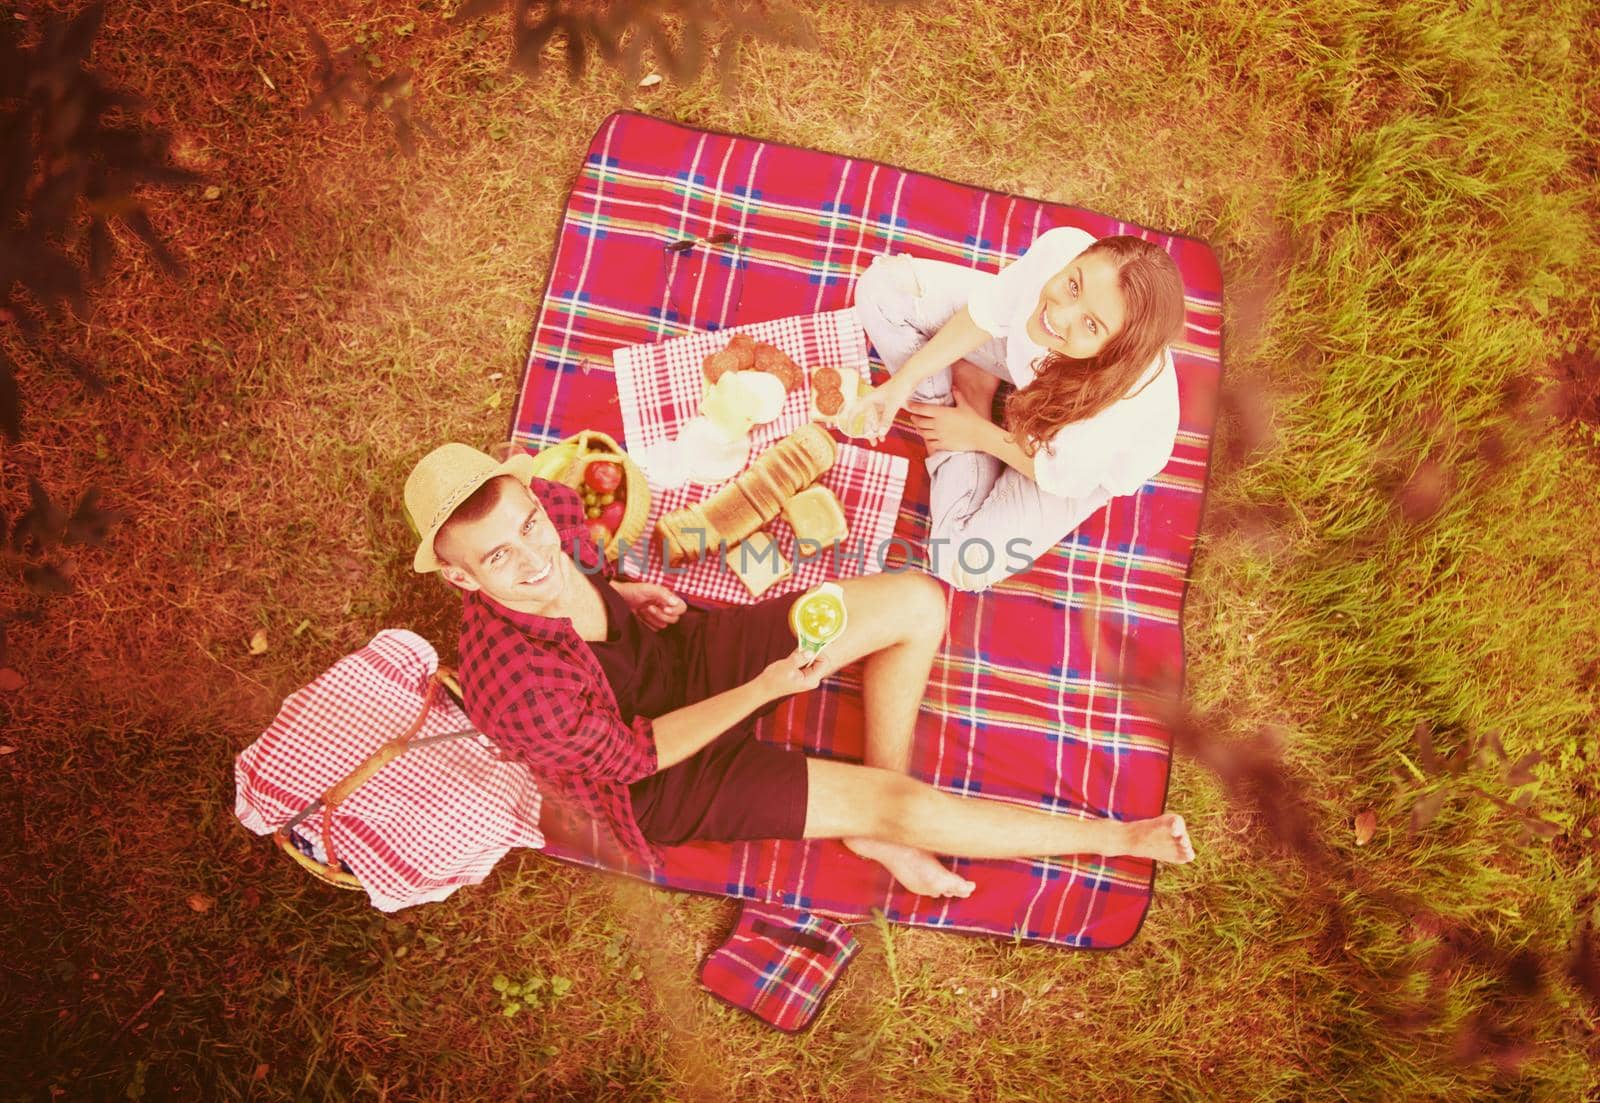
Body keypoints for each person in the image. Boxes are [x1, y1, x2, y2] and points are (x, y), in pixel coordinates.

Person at [405, 443, 1195, 899]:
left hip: (678, 653)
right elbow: (638, 754)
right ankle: (1119, 834)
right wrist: (763, 687)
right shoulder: (516, 689)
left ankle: (875, 824)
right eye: (500, 557)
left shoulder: (550, 508)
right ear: (464, 580)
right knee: (898, 802)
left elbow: (573, 559)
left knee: (920, 600)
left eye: (530, 527)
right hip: (659, 780)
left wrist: (625, 590)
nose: (535, 555)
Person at [851, 227, 1186, 591]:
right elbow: (984, 315)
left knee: (958, 561)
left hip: (1064, 462)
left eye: (1091, 324)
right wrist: (903, 383)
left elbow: (1060, 475)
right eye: (1073, 286)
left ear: (1113, 351)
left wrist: (976, 433)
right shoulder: (1061, 249)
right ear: (1079, 257)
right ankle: (955, 399)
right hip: (1028, 364)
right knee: (882, 289)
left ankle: (969, 409)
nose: (1059, 316)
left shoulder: (1110, 419)